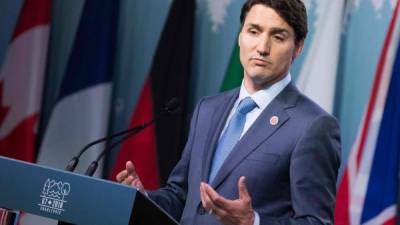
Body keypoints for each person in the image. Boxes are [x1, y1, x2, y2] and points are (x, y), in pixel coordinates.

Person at [116, 0, 341, 224]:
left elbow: (316, 222)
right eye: (254, 31)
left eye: (278, 37)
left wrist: (253, 222)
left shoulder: (313, 126)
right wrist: (144, 197)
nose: (262, 48)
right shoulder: (208, 109)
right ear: (240, 36)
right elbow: (181, 196)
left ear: (298, 47)